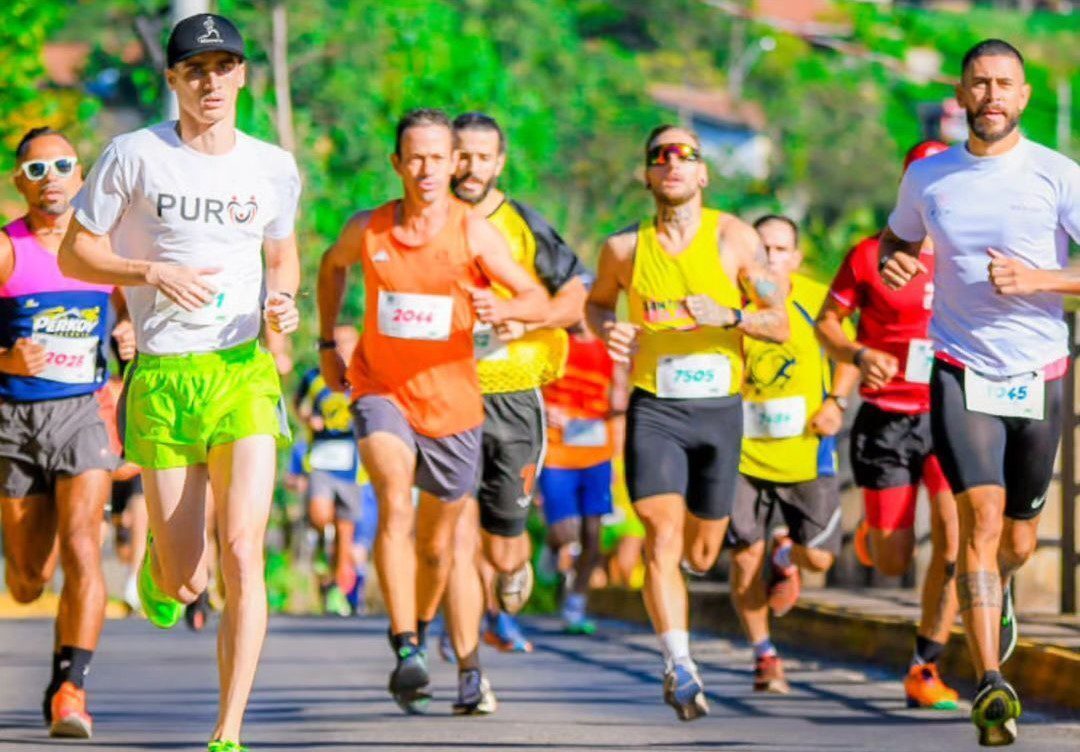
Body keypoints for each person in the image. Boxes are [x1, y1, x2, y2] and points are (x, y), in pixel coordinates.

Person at [59, 13, 302, 751]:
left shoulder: (272, 166)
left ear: (241, 76)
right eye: (195, 69)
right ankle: (166, 583)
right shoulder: (133, 155)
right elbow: (77, 255)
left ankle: (228, 730)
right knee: (187, 572)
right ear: (173, 79)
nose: (211, 81)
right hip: (163, 377)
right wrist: (150, 271)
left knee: (241, 550)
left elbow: (283, 258)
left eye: (224, 66)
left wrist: (282, 302)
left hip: (241, 375)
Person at [878, 39, 1080, 747]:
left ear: (1023, 96)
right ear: (961, 96)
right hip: (960, 368)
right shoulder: (930, 177)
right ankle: (991, 681)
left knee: (1019, 541)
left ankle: (1005, 598)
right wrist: (897, 261)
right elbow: (894, 241)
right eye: (978, 84)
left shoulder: (1058, 175)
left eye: (1004, 84)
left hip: (1039, 375)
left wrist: (1040, 281)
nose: (991, 96)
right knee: (980, 527)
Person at [316, 108, 548, 716]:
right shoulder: (368, 229)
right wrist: (326, 340)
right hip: (380, 389)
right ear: (397, 163)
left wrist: (502, 309)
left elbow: (534, 295)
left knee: (443, 548)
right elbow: (331, 267)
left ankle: (469, 669)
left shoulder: (473, 232)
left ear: (452, 165)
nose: (425, 169)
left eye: (437, 158)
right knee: (393, 498)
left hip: (453, 406)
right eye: (413, 157)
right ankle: (407, 647)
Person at [586, 124, 789, 721]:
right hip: (656, 406)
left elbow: (776, 320)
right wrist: (607, 328)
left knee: (702, 551)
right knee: (660, 536)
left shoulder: (735, 239)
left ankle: (700, 587)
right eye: (660, 156)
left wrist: (730, 314)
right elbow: (597, 303)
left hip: (719, 409)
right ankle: (679, 662)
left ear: (703, 173)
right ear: (647, 174)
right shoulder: (623, 248)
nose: (672, 164)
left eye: (685, 155)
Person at [816, 140, 961, 710]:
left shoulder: (969, 252)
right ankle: (876, 541)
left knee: (953, 541)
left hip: (952, 412)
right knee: (895, 560)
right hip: (887, 418)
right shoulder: (867, 254)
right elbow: (828, 322)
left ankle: (925, 667)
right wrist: (854, 355)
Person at [445, 112, 590, 667]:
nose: (471, 166)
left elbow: (574, 298)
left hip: (514, 394)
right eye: (462, 153)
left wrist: (526, 320)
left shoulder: (524, 224)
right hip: (446, 391)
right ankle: (468, 637)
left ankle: (510, 568)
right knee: (455, 521)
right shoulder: (427, 221)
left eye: (483, 156)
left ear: (500, 162)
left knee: (502, 540)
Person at [0, 127, 132, 739]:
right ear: (20, 182)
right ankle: (60, 656)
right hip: (15, 421)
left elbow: (136, 319)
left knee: (84, 545)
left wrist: (131, 346)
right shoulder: (6, 250)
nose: (49, 176)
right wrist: (6, 360)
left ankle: (71, 688)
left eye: (61, 165)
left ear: (79, 175)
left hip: (84, 413)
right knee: (28, 582)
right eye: (35, 169)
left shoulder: (104, 246)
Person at [727, 215, 844, 695]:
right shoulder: (730, 301)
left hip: (806, 449)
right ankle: (764, 655)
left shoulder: (818, 299)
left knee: (818, 560)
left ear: (796, 257)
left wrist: (836, 403)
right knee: (743, 555)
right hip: (743, 451)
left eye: (780, 249)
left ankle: (787, 552)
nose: (770, 257)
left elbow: (849, 353)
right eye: (762, 249)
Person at [539, 323, 626, 634]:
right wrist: (544, 408)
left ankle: (575, 603)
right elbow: (532, 384)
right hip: (557, 452)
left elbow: (620, 404)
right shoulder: (554, 340)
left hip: (595, 451)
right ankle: (552, 546)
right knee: (566, 533)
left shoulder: (609, 347)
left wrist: (622, 375)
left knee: (593, 534)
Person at [295, 324, 367, 615]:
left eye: (347, 342)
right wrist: (308, 417)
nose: (341, 348)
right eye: (335, 343)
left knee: (345, 531)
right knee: (320, 514)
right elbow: (298, 404)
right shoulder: (314, 377)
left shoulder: (365, 376)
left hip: (353, 464)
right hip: (322, 460)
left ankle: (336, 587)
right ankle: (320, 539)